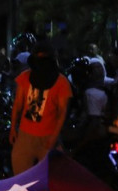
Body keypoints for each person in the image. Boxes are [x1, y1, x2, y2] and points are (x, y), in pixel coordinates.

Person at [9, 41, 73, 175]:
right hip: (25, 136)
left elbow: (62, 112)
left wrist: (53, 138)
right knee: (21, 179)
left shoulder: (61, 82)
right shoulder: (25, 77)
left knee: (51, 179)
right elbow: (18, 104)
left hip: (48, 136)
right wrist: (13, 128)